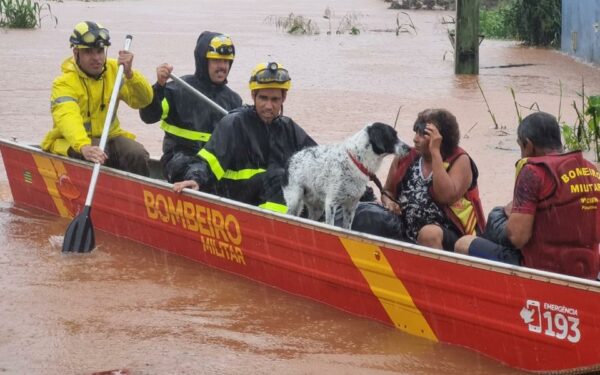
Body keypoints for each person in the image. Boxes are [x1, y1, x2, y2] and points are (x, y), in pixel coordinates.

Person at [455, 111, 600, 280]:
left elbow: (518, 237)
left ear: (528, 145)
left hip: (541, 268)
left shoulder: (533, 171)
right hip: (586, 269)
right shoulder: (591, 169)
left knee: (464, 242)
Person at [172, 61, 316, 212]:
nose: (268, 106)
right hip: (234, 196)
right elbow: (207, 163)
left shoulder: (288, 127)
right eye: (263, 98)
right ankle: (274, 229)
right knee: (280, 178)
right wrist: (195, 179)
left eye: (275, 100)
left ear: (283, 98)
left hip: (271, 195)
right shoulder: (234, 123)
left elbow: (317, 159)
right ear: (253, 96)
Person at [41, 21, 153, 176]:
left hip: (110, 137)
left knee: (137, 153)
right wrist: (84, 146)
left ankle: (139, 195)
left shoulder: (116, 70)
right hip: (73, 142)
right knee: (94, 155)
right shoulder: (63, 83)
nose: (96, 58)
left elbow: (144, 100)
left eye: (100, 51)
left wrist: (130, 75)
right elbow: (67, 118)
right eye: (88, 52)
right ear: (76, 53)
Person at [139, 31, 242, 182]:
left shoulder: (234, 100)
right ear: (203, 61)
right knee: (195, 170)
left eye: (226, 62)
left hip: (213, 163)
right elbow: (148, 116)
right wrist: (159, 87)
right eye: (217, 61)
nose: (222, 67)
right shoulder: (177, 89)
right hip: (178, 160)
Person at [378, 108, 486, 250]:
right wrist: (389, 203)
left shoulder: (459, 160)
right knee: (372, 217)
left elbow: (445, 196)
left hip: (452, 237)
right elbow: (388, 191)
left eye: (423, 134)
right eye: (416, 132)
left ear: (440, 139)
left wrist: (435, 152)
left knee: (429, 234)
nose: (415, 139)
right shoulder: (405, 157)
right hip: (407, 228)